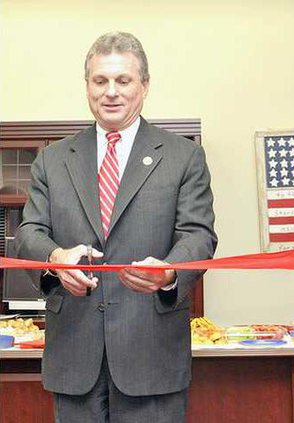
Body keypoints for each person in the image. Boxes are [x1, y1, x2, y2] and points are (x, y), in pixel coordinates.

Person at [15, 32, 217, 422]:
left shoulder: (184, 157)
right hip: (74, 354)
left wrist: (170, 270)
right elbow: (29, 233)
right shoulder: (52, 160)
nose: (111, 92)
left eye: (123, 81)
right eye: (100, 81)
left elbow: (198, 234)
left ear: (144, 86)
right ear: (87, 85)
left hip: (151, 352)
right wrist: (56, 258)